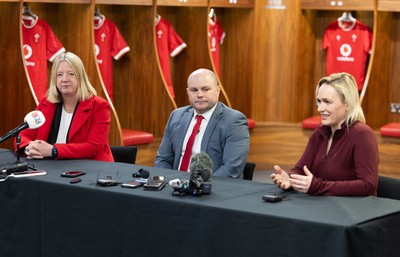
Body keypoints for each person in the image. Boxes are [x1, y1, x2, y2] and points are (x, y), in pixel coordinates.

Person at [271, 72, 378, 196]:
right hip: (323, 207)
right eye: (319, 102)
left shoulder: (362, 134)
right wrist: (290, 179)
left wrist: (318, 186)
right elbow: (300, 169)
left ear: (347, 104)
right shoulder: (320, 132)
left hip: (355, 211)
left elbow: (368, 185)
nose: (320, 108)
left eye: (327, 102)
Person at [16, 52, 114, 162]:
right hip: (52, 167)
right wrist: (30, 147)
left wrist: (53, 150)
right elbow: (22, 136)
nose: (64, 79)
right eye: (59, 75)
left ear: (80, 77)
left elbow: (93, 147)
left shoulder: (99, 106)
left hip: (90, 169)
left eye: (71, 74)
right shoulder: (46, 102)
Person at [154, 68, 250, 178]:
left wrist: (198, 187)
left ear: (217, 90)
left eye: (205, 89)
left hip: (211, 189)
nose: (199, 95)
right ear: (188, 92)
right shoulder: (176, 116)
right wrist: (170, 183)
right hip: (175, 187)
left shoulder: (234, 121)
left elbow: (231, 169)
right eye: (194, 90)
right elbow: (163, 159)